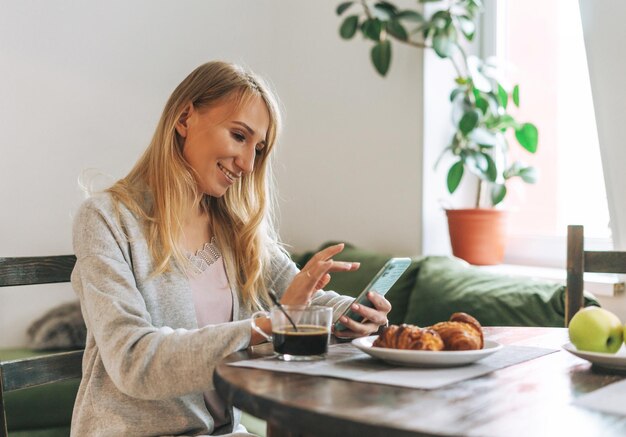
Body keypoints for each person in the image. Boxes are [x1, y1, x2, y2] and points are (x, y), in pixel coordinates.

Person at [70, 61, 391, 436]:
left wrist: (353, 315)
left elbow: (299, 300)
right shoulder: (106, 219)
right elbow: (131, 361)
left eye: (259, 148)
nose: (248, 163)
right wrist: (268, 326)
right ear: (185, 118)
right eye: (239, 136)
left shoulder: (234, 228)